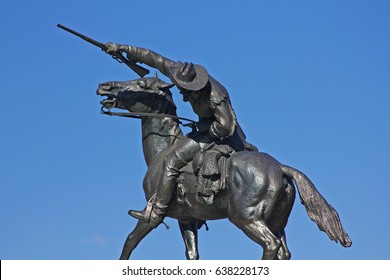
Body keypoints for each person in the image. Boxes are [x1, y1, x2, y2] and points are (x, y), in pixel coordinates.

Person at [105, 43, 257, 227]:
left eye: (188, 91)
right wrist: (123, 48)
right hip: (205, 129)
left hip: (220, 136)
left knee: (171, 161)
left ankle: (157, 210)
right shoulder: (179, 72)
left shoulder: (216, 95)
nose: (184, 96)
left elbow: (225, 126)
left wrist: (204, 128)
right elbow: (154, 58)